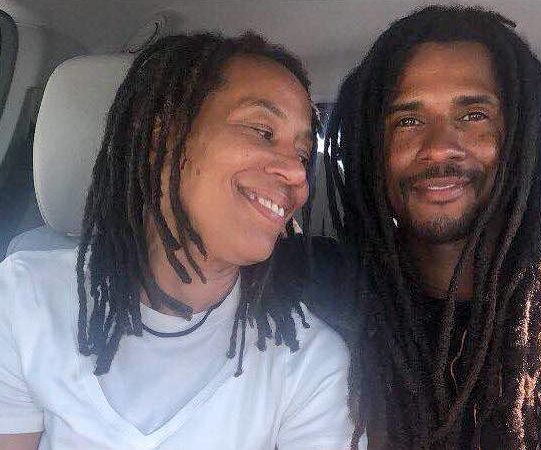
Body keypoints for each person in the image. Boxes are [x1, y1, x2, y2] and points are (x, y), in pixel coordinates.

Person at [0, 33, 356, 450]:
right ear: (162, 137)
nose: (297, 176)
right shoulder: (25, 300)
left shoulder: (309, 364)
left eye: (302, 155)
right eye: (262, 131)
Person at [324, 6, 541, 449]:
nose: (438, 148)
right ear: (373, 152)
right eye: (408, 120)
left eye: (473, 115)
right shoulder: (317, 301)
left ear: (521, 140)